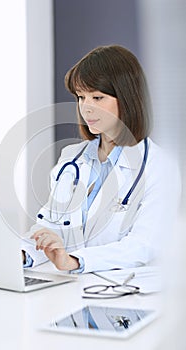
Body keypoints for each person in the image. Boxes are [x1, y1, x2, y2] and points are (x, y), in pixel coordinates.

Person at [21, 45, 180, 274]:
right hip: (71, 288)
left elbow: (143, 246)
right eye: (81, 97)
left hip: (123, 295)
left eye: (97, 97)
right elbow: (51, 226)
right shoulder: (71, 158)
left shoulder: (160, 166)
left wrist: (74, 261)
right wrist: (24, 253)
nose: (86, 108)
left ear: (127, 99)